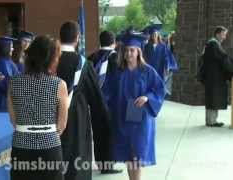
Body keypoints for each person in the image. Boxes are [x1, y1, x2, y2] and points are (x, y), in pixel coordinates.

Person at [105, 32, 165, 180]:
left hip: (141, 119)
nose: (128, 53)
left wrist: (147, 97)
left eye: (132, 50)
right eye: (126, 50)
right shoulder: (117, 72)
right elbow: (107, 93)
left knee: (137, 156)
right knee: (128, 155)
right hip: (122, 118)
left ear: (139, 51)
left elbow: (159, 89)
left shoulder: (148, 71)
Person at [8, 35, 68, 180]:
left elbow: (14, 120)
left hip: (21, 147)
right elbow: (62, 125)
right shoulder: (59, 84)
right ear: (50, 59)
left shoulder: (14, 82)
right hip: (50, 148)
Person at [57, 21, 110, 180]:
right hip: (76, 121)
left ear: (60, 37)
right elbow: (96, 100)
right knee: (76, 162)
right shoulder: (84, 64)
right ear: (77, 38)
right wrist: (105, 122)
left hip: (50, 119)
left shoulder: (50, 60)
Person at [87, 30, 122, 174]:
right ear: (113, 42)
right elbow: (120, 82)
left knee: (98, 133)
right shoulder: (117, 58)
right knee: (110, 134)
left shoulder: (91, 57)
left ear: (100, 42)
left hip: (95, 103)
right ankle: (108, 165)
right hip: (112, 104)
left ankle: (101, 163)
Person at [202, 26, 233, 127]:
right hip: (213, 77)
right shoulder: (213, 44)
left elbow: (222, 57)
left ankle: (211, 120)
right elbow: (222, 58)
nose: (224, 37)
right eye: (223, 34)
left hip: (213, 76)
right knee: (213, 98)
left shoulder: (213, 44)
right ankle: (211, 121)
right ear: (218, 34)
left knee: (213, 98)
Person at [143, 26, 178, 94]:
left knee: (159, 83)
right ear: (151, 36)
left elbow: (166, 57)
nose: (154, 36)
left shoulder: (163, 46)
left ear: (158, 35)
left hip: (159, 68)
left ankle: (158, 97)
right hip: (150, 68)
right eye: (153, 34)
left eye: (156, 34)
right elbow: (144, 57)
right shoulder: (147, 46)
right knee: (150, 84)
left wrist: (167, 67)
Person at [0, 36, 20, 112]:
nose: (12, 49)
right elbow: (6, 82)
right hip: (3, 99)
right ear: (6, 48)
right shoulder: (3, 62)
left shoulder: (7, 60)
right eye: (11, 47)